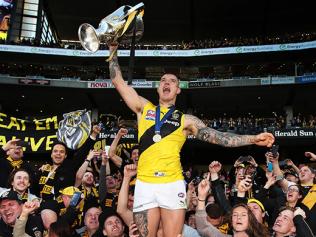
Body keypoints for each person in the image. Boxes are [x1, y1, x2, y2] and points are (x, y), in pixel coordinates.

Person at [108, 44, 275, 237]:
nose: (166, 83)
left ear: (178, 90)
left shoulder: (186, 120)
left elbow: (218, 137)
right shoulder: (143, 108)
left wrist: (253, 138)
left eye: (172, 81)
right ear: (158, 87)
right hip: (145, 182)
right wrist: (112, 50)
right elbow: (118, 81)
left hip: (172, 184)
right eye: (163, 80)